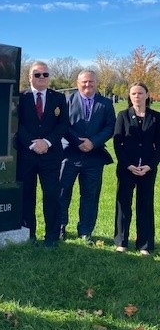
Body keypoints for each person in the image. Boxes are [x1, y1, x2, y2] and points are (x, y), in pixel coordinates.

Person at [59, 70, 116, 244]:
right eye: (84, 82)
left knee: (90, 195)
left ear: (96, 83)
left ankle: (85, 230)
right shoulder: (67, 101)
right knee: (62, 192)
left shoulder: (105, 103)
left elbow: (110, 126)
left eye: (91, 82)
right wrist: (78, 142)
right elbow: (62, 125)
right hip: (69, 154)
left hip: (94, 157)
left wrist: (93, 142)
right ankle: (60, 226)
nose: (87, 85)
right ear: (77, 83)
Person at [16, 61, 68, 246]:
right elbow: (17, 123)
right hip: (26, 155)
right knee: (27, 196)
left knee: (52, 196)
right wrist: (32, 143)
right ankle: (29, 234)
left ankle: (51, 237)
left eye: (45, 74)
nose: (42, 78)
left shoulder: (59, 98)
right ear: (30, 77)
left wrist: (46, 142)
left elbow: (63, 124)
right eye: (37, 75)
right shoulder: (21, 97)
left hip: (50, 156)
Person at [113, 82, 160, 255]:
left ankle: (145, 244)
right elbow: (118, 144)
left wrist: (150, 165)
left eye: (140, 93)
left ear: (147, 95)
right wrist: (128, 165)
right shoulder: (123, 115)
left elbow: (159, 145)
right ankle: (121, 241)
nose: (137, 96)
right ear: (129, 96)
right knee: (123, 203)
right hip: (127, 167)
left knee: (145, 204)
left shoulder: (156, 117)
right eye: (133, 93)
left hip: (148, 168)